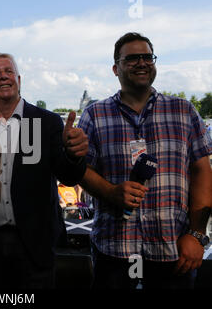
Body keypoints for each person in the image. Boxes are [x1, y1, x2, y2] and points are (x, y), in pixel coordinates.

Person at [78, 32, 212, 289]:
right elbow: (81, 170)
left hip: (173, 249)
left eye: (147, 56)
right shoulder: (94, 114)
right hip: (115, 249)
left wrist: (197, 234)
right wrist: (111, 192)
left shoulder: (183, 111)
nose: (142, 62)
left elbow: (202, 172)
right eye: (132, 58)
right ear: (116, 68)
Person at [0, 52, 89, 289]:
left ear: (19, 79)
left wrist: (73, 154)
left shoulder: (48, 121)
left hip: (37, 242)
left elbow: (68, 176)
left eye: (9, 71)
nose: (4, 77)